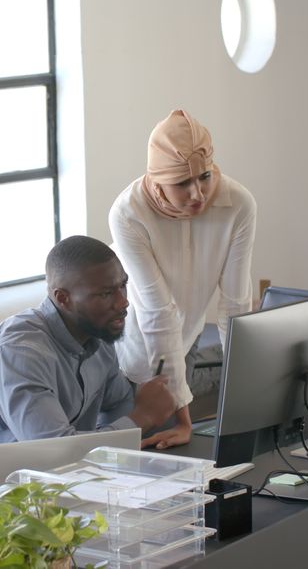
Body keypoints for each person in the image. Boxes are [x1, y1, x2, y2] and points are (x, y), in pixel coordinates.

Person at [0, 235, 176, 490]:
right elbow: (52, 453)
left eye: (123, 286)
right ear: (63, 298)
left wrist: (141, 420)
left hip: (68, 479)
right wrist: (140, 419)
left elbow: (119, 402)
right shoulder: (19, 352)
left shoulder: (97, 335)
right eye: (106, 293)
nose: (123, 302)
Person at [109, 109, 257, 450]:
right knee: (145, 454)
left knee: (192, 450)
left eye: (204, 177)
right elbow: (157, 312)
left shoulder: (238, 204)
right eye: (182, 184)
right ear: (157, 179)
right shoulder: (128, 213)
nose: (197, 194)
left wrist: (245, 397)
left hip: (187, 336)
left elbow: (235, 304)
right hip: (136, 350)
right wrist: (183, 421)